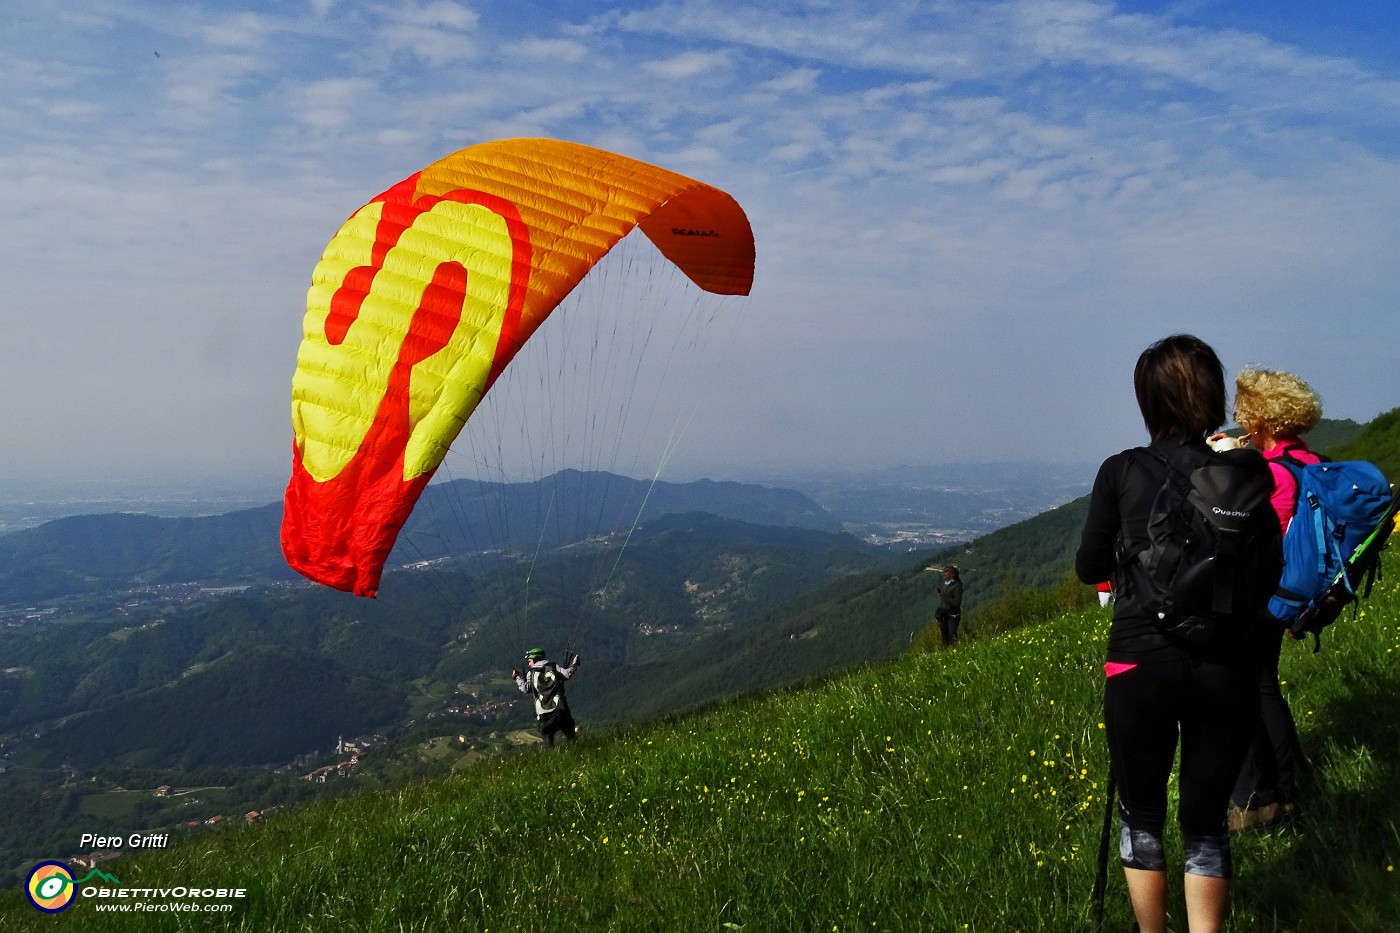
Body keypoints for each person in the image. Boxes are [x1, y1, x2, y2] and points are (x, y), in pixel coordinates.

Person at [1076, 335, 1277, 933]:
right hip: (1227, 667)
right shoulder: (1244, 478)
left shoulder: (1121, 471)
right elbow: (1269, 568)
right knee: (1206, 823)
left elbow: (1089, 567)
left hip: (1139, 662)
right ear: (1213, 395)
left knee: (1142, 814)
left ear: (1149, 401)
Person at [1226, 367, 1322, 831]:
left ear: (1259, 419)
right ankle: (1285, 789)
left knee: (1256, 688)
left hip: (1268, 596)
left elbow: (1261, 535)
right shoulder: (1310, 461)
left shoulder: (1273, 473)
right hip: (1297, 593)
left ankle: (1279, 795)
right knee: (1265, 684)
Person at [512, 647, 580, 747]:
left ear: (535, 659)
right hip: (560, 711)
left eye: (529, 661)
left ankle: (552, 759)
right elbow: (567, 674)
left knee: (548, 740)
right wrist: (574, 664)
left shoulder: (531, 673)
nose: (529, 664)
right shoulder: (553, 667)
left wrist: (517, 677)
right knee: (572, 739)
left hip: (544, 716)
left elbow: (526, 688)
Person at [934, 565, 963, 646]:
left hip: (953, 615)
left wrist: (944, 596)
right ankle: (946, 653)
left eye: (946, 574)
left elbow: (957, 602)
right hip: (944, 615)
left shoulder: (957, 586)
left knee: (952, 636)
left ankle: (955, 652)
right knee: (944, 638)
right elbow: (943, 601)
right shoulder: (946, 585)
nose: (944, 576)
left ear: (952, 575)